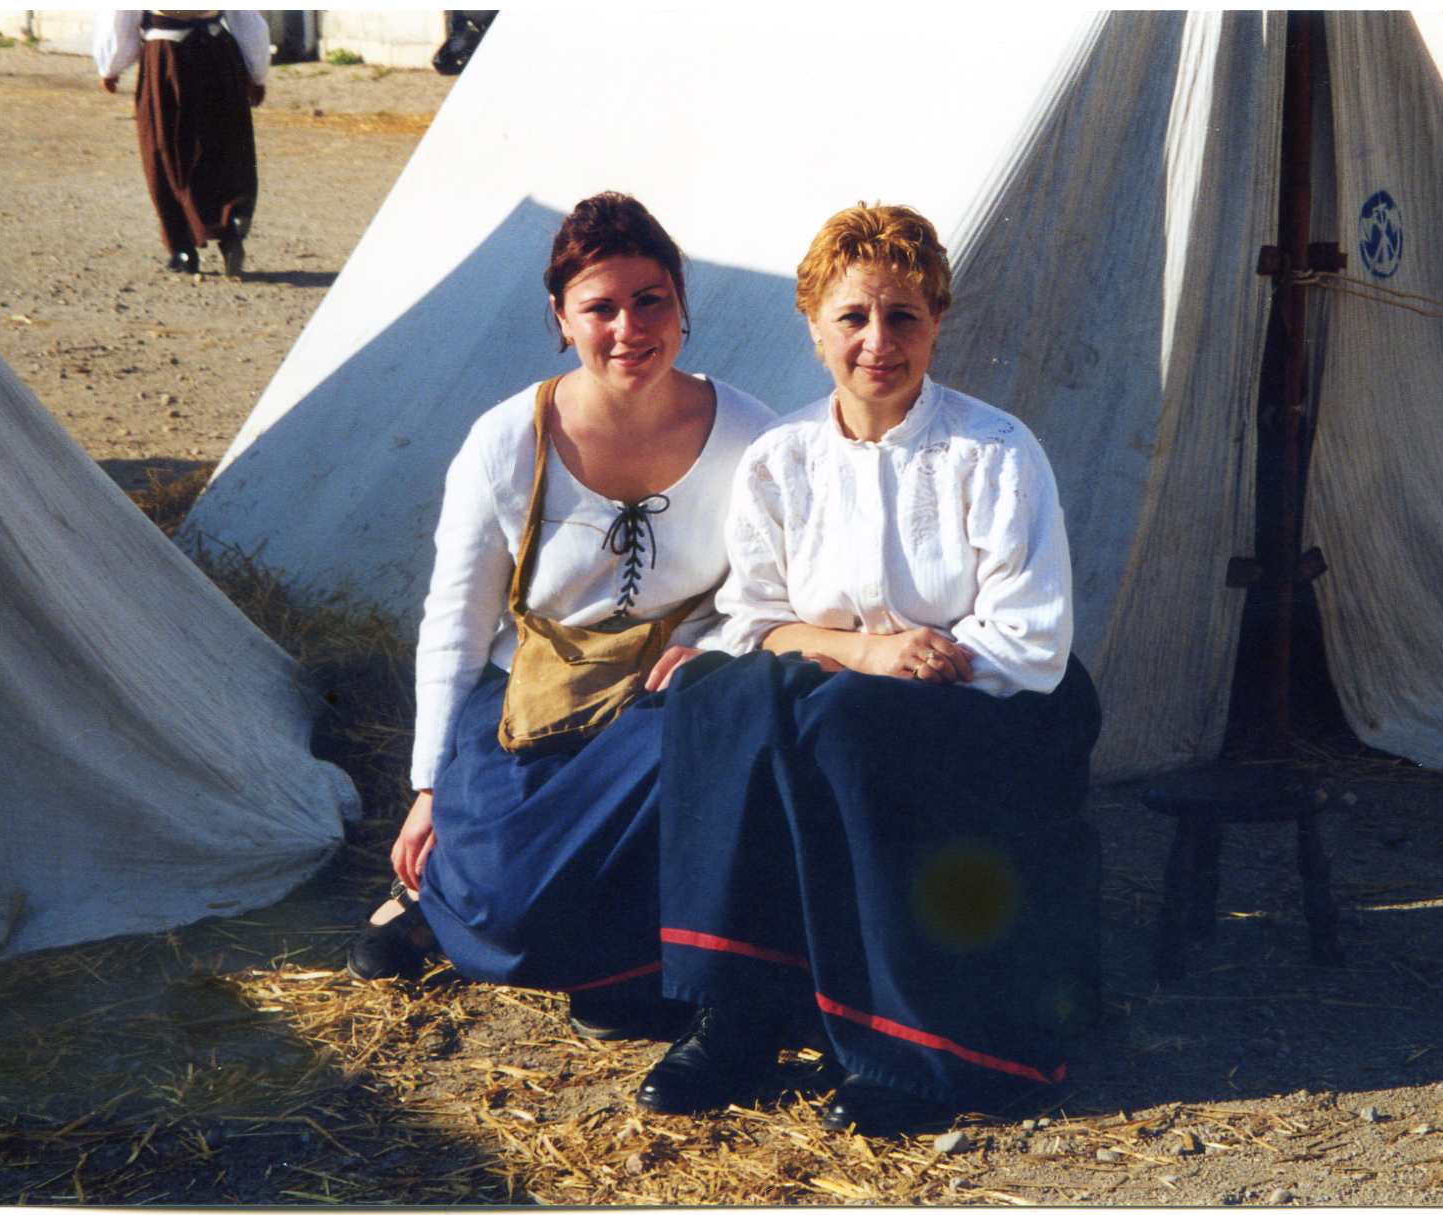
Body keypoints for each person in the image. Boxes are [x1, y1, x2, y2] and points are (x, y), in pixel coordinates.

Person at [638, 203, 1102, 1135]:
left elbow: (1032, 638)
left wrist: (879, 675)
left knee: (847, 721)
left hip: (996, 707)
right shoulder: (781, 460)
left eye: (905, 316)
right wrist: (861, 652)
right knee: (713, 694)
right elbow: (756, 622)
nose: (878, 342)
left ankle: (913, 1047)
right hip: (845, 694)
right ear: (814, 327)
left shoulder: (996, 451)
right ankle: (740, 1006)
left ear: (936, 323)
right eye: (854, 317)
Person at [346, 192, 776, 1041]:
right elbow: (455, 624)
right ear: (561, 318)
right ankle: (431, 897)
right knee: (507, 900)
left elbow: (771, 592)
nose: (629, 327)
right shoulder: (508, 440)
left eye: (650, 299)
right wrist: (428, 788)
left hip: (659, 704)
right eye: (600, 307)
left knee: (707, 744)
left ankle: (622, 971)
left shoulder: (751, 436)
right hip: (528, 700)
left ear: (683, 303)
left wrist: (715, 649)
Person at [93, 11, 269, 277]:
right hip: (217, 52)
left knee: (165, 150)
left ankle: (183, 249)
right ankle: (231, 222)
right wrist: (257, 72)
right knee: (225, 143)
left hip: (167, 58)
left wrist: (110, 67)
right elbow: (246, 18)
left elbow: (122, 16)